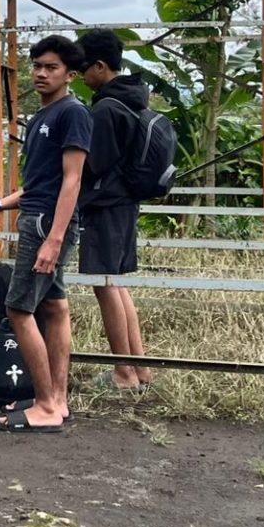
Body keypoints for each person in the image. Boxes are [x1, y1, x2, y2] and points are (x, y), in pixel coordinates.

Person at [0, 34, 90, 433]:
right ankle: (58, 399)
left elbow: (73, 181)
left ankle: (47, 405)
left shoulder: (73, 113)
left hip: (45, 226)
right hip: (38, 216)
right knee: (54, 308)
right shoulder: (40, 119)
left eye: (51, 67)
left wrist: (53, 238)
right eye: (36, 66)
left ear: (70, 74)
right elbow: (37, 186)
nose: (40, 73)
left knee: (18, 309)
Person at [78, 29, 154, 391]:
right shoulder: (133, 98)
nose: (79, 74)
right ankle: (140, 369)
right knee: (117, 284)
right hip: (125, 203)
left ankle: (122, 372)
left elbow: (94, 163)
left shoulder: (106, 108)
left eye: (83, 67)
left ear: (99, 65)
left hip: (105, 205)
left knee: (104, 286)